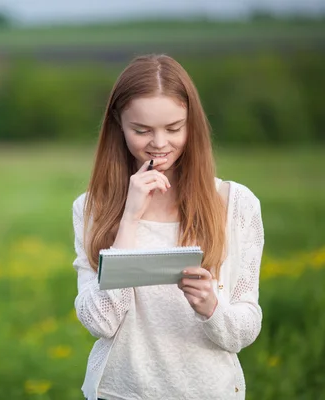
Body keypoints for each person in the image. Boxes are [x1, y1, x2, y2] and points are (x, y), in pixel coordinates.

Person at [71, 54, 264, 400]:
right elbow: (101, 322)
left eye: (174, 128)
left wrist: (212, 307)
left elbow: (244, 329)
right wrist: (129, 218)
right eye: (142, 130)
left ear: (193, 125)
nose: (159, 143)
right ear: (118, 125)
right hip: (119, 392)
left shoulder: (236, 204)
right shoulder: (92, 208)